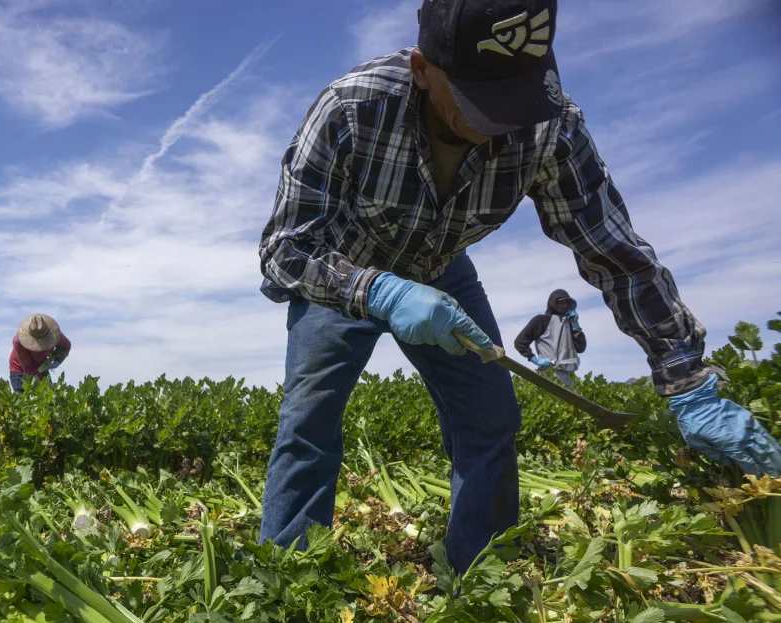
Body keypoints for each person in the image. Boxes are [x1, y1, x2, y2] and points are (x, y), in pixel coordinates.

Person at [255, 0, 781, 575]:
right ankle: (291, 579)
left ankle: (481, 573)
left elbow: (614, 251)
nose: (501, 123)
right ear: (423, 69)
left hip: (442, 271)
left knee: (490, 419)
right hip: (340, 273)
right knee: (309, 423)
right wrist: (382, 291)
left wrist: (684, 376)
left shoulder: (550, 125)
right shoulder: (353, 107)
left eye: (517, 96)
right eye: (481, 99)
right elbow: (287, 249)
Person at [514, 289, 585, 387]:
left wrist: (576, 326)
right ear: (553, 303)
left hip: (570, 375)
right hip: (549, 373)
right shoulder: (541, 320)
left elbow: (581, 348)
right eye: (561, 302)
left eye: (567, 303)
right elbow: (519, 342)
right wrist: (534, 359)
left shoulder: (569, 323)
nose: (565, 306)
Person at [9, 314, 71, 393]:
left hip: (42, 366)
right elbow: (29, 368)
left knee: (49, 402)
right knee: (22, 400)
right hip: (20, 370)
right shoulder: (19, 341)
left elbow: (66, 346)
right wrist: (45, 386)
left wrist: (57, 361)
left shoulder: (55, 336)